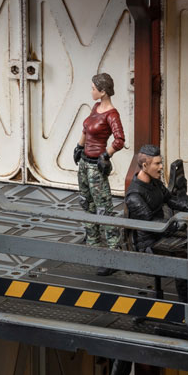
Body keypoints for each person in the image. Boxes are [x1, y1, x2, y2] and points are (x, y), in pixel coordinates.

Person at [73, 73, 125, 276]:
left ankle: (114, 253)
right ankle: (93, 243)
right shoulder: (95, 107)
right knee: (86, 203)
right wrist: (79, 147)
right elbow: (85, 129)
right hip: (84, 163)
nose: (91, 91)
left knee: (104, 209)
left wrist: (106, 155)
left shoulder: (112, 114)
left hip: (96, 166)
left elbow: (119, 139)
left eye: (93, 88)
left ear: (103, 91)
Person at [125, 143, 188, 300]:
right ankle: (186, 304)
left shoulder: (155, 183)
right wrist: (176, 224)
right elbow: (151, 223)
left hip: (162, 232)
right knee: (183, 259)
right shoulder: (134, 195)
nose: (161, 167)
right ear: (145, 165)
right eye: (157, 164)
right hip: (147, 243)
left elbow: (171, 200)